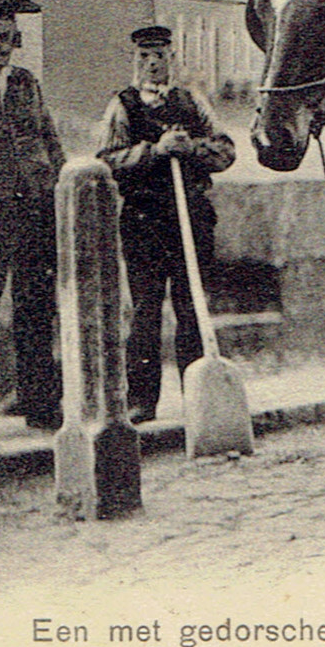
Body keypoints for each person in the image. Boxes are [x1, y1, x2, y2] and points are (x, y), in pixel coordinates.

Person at [98, 25, 235, 423]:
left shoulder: (192, 101)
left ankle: (196, 397)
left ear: (172, 58)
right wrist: (153, 152)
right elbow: (107, 159)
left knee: (192, 307)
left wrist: (192, 148)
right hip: (144, 219)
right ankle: (142, 400)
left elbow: (226, 150)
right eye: (145, 57)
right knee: (144, 310)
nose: (153, 64)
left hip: (191, 216)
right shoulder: (122, 106)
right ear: (135, 60)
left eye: (160, 56)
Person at [0, 0, 65, 430]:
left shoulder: (25, 82)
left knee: (35, 306)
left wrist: (57, 180)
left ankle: (40, 403)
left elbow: (49, 137)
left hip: (34, 207)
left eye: (5, 37)